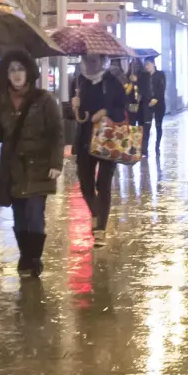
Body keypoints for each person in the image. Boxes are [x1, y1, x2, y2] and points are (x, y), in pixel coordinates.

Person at [0, 50, 65, 279]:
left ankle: (33, 259)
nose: (16, 74)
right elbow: (0, 134)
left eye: (20, 69)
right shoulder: (1, 102)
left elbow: (57, 133)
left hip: (39, 167)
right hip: (14, 169)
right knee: (20, 216)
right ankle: (25, 256)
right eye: (11, 70)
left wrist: (56, 163)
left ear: (28, 72)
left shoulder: (44, 100)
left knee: (34, 214)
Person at [69, 53, 129, 247]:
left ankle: (100, 229)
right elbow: (74, 116)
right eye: (87, 59)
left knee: (103, 184)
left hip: (106, 140)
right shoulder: (78, 81)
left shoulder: (112, 81)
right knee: (85, 183)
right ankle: (96, 212)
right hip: (85, 139)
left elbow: (123, 109)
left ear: (102, 60)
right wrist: (73, 107)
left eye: (95, 60)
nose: (91, 63)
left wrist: (106, 112)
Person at [134, 56, 166, 156]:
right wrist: (135, 80)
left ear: (153, 64)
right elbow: (139, 85)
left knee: (158, 125)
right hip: (147, 104)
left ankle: (157, 146)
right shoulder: (144, 76)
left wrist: (156, 98)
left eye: (148, 64)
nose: (146, 66)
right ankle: (144, 149)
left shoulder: (160, 74)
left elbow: (162, 88)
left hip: (159, 104)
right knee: (146, 126)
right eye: (145, 65)